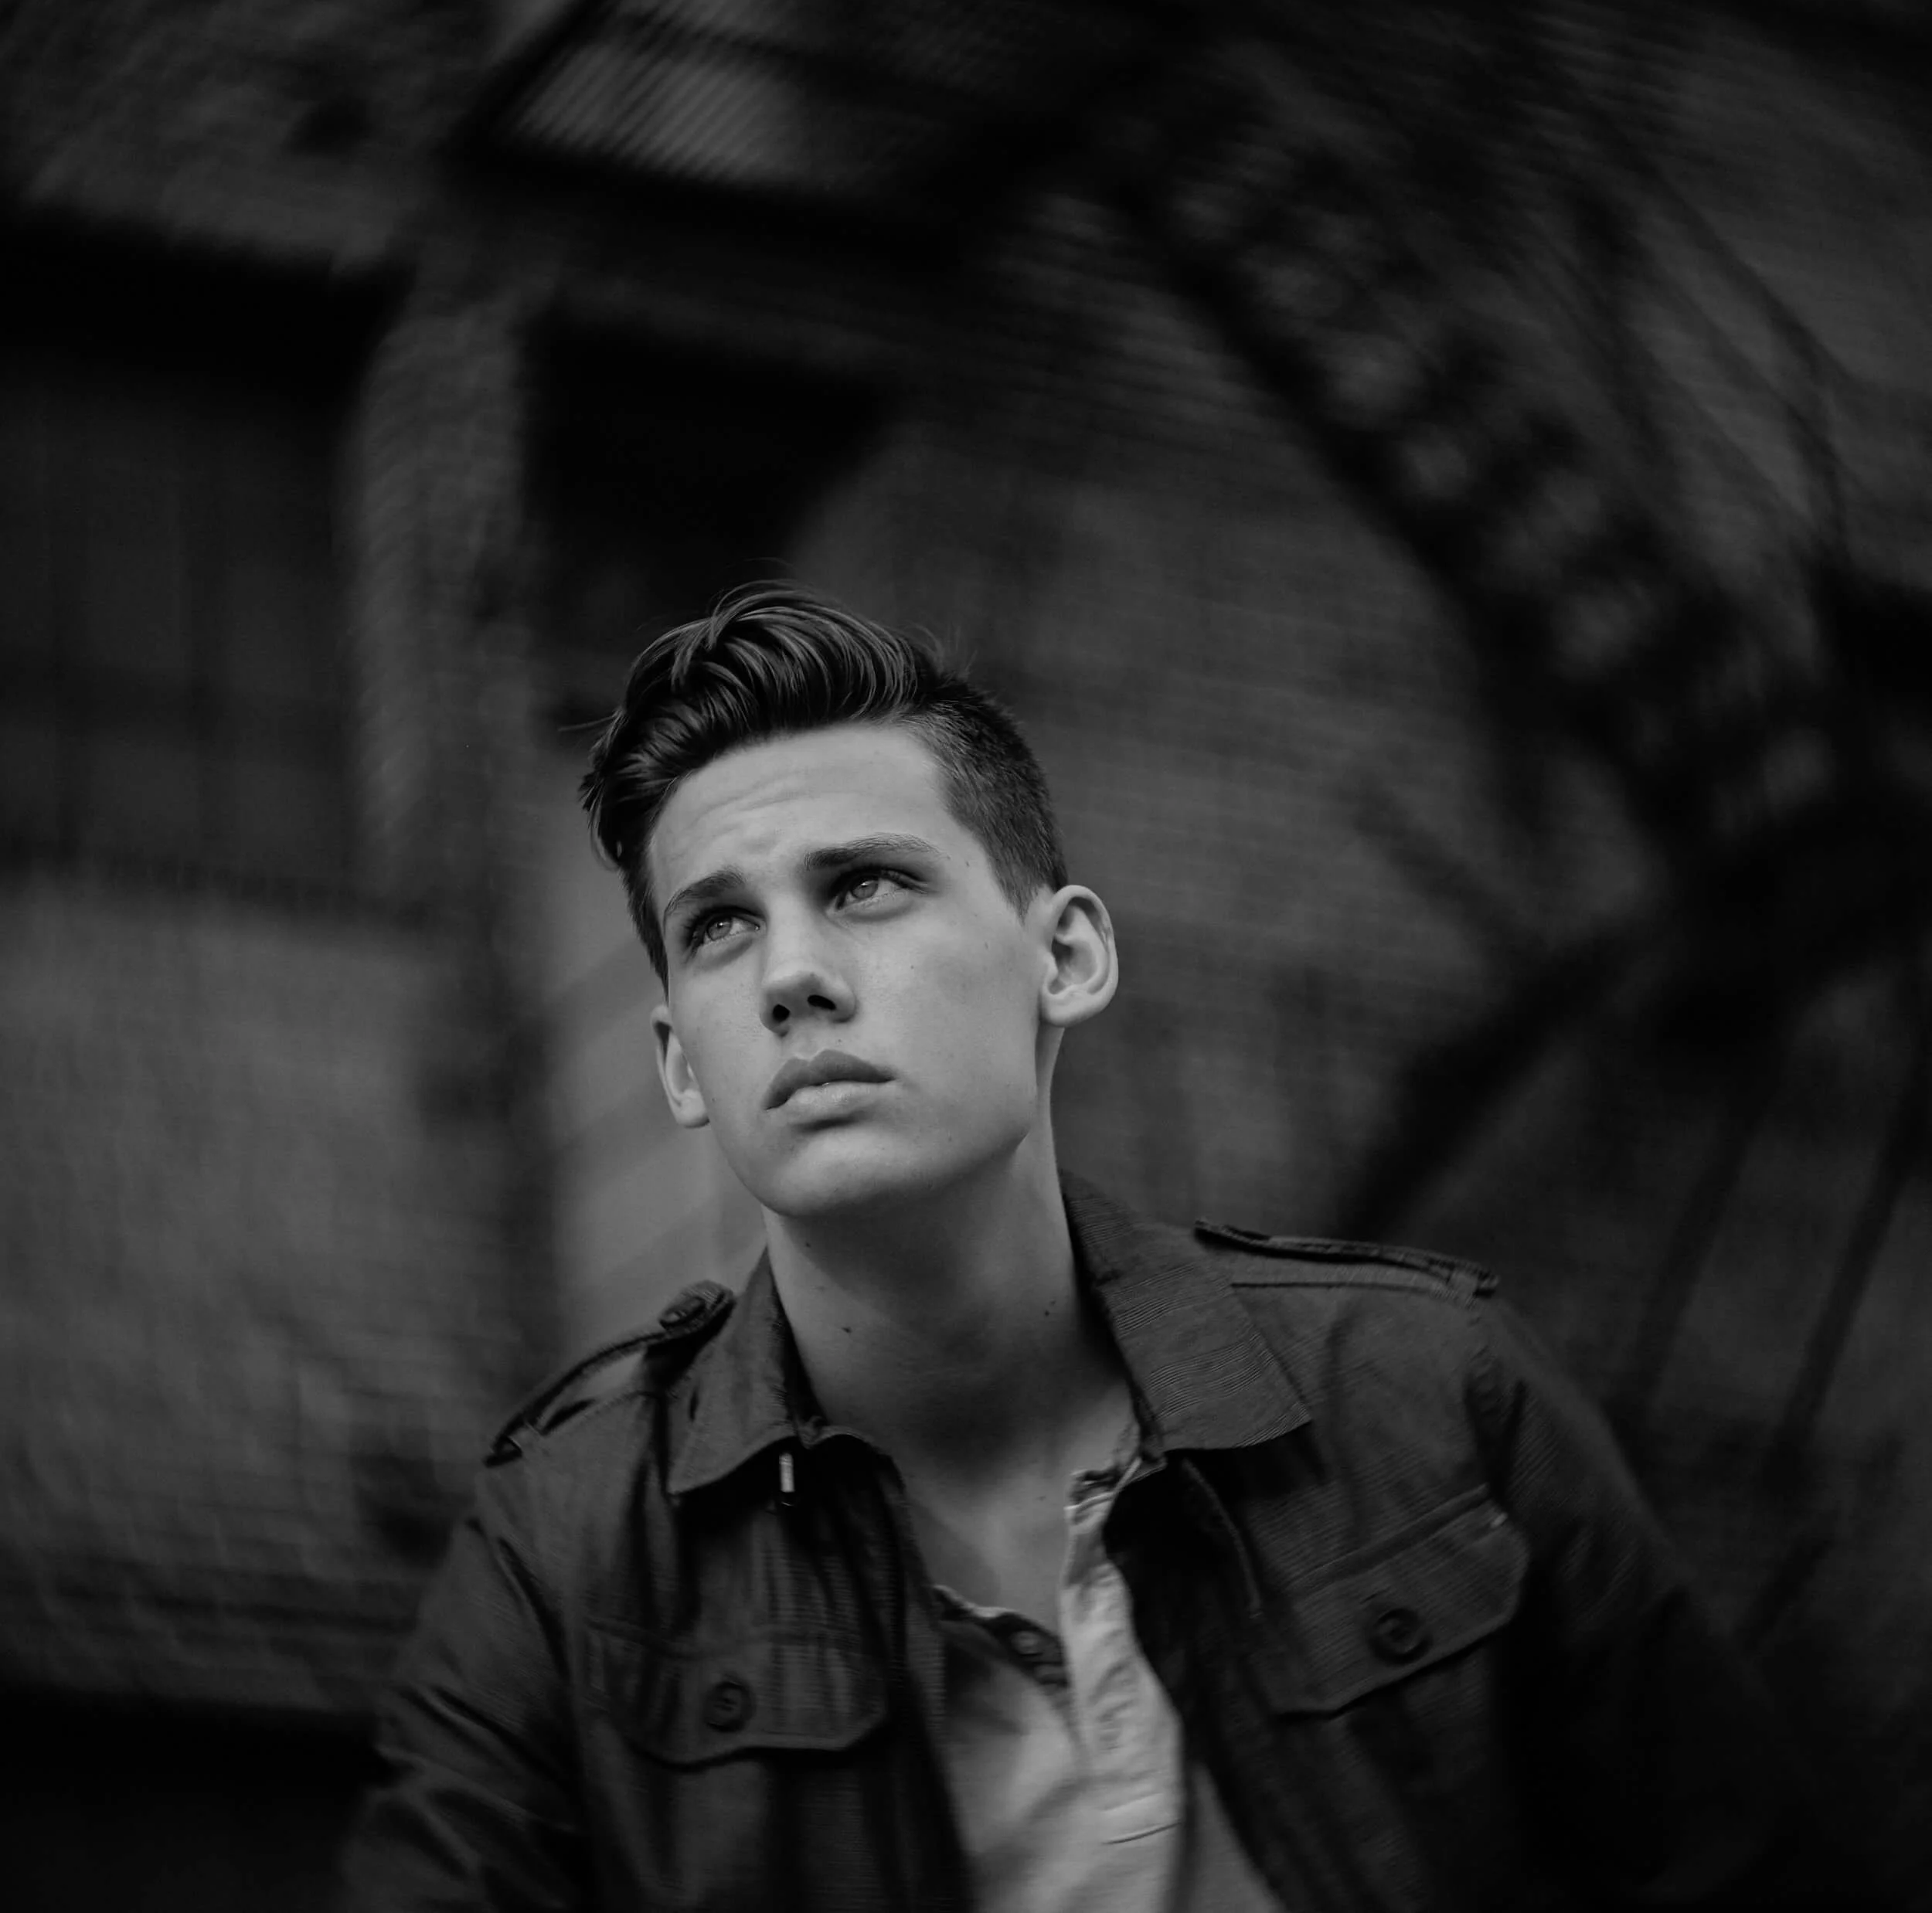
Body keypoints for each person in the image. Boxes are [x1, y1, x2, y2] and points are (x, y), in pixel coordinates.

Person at [341, 586, 1861, 1911]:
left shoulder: (1434, 1401)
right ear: (681, 1061)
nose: (793, 974)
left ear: (1065, 953)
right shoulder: (562, 1551)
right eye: (720, 927)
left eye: (865, 883)